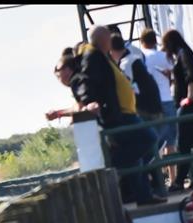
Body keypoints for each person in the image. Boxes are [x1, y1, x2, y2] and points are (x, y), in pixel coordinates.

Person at [46, 35, 165, 205]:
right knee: (144, 146)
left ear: (68, 67)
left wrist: (85, 104)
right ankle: (139, 193)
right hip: (116, 116)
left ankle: (117, 171)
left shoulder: (80, 76)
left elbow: (83, 99)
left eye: (59, 71)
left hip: (118, 115)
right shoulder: (80, 77)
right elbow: (81, 104)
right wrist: (60, 112)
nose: (58, 76)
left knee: (146, 143)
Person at [110, 33, 166, 196]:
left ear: (111, 50)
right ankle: (153, 186)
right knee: (147, 151)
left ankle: (146, 188)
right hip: (154, 109)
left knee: (140, 151)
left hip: (146, 111)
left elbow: (127, 89)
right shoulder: (133, 58)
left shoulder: (126, 64)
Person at [162, 29, 193, 191]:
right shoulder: (182, 53)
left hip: (188, 106)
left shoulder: (183, 53)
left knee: (184, 144)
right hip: (190, 104)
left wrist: (189, 97)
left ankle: (180, 180)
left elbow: (191, 76)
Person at [140, 28, 178, 186]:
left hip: (151, 104)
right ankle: (174, 178)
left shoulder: (141, 58)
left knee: (153, 142)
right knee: (170, 143)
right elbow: (172, 79)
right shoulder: (165, 57)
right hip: (167, 99)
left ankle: (157, 179)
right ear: (155, 40)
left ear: (142, 41)